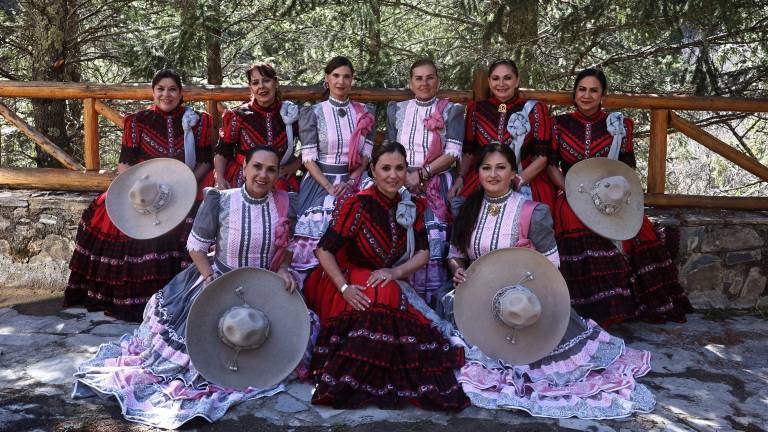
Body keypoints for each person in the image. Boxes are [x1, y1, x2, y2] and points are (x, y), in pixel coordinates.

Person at [72, 146, 316, 429]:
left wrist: (284, 268)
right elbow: (196, 247)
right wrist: (210, 278)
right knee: (199, 353)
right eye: (257, 167)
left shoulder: (287, 202)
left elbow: (288, 245)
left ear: (278, 174)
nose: (263, 175)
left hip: (264, 289)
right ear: (244, 168)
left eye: (271, 170)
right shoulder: (221, 200)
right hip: (220, 281)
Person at [445, 144, 655, 419]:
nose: (493, 174)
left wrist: (520, 291)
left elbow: (551, 265)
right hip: (476, 299)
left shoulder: (531, 212)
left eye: (501, 168)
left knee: (544, 365)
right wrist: (458, 270)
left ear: (513, 173)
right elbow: (455, 255)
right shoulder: (466, 209)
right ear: (479, 172)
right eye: (486, 168)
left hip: (522, 300)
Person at [303, 141, 469, 411]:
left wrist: (396, 271)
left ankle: (382, 370)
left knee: (388, 289)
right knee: (386, 292)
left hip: (382, 278)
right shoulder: (357, 204)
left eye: (399, 168)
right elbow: (323, 250)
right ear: (372, 170)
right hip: (341, 279)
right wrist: (344, 288)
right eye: (386, 168)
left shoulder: (413, 206)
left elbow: (424, 252)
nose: (393, 175)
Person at [64, 69, 213, 321]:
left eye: (172, 89)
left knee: (193, 216)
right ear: (153, 92)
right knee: (106, 214)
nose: (166, 94)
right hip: (146, 187)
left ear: (181, 93)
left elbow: (205, 161)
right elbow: (125, 164)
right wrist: (139, 190)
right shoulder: (137, 121)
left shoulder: (199, 121)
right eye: (161, 89)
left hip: (187, 185)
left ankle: (183, 295)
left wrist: (185, 186)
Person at [548, 68, 692, 327]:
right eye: (582, 90)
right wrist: (568, 190)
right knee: (570, 216)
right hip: (571, 191)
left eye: (594, 90)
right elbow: (551, 166)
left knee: (638, 227)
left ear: (603, 95)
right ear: (574, 93)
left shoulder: (620, 125)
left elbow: (627, 168)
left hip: (611, 193)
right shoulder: (559, 124)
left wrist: (610, 193)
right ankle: (593, 304)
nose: (587, 95)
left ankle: (625, 301)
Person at [385, 58, 464, 307]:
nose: (424, 83)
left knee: (432, 235)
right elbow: (390, 149)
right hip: (399, 179)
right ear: (410, 83)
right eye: (418, 78)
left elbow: (453, 152)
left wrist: (421, 174)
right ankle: (398, 299)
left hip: (435, 179)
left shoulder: (451, 110)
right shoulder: (397, 110)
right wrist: (403, 176)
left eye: (430, 77)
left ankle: (431, 301)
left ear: (438, 81)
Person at [292, 56, 377, 281]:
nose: (341, 81)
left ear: (352, 80)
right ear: (327, 79)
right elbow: (308, 159)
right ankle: (316, 282)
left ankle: (355, 278)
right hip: (321, 181)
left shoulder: (365, 112)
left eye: (346, 77)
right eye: (336, 76)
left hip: (355, 178)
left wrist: (351, 181)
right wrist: (330, 187)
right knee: (320, 222)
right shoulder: (313, 113)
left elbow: (366, 156)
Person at [450, 59, 555, 214]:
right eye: (495, 78)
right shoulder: (477, 109)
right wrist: (460, 177)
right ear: (489, 81)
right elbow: (469, 152)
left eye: (507, 78)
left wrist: (517, 180)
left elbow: (542, 157)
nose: (501, 84)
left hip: (525, 176)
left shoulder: (535, 109)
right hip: (485, 176)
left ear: (517, 80)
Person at [210, 62, 301, 192]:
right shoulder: (239, 115)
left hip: (280, 178)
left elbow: (311, 146)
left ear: (276, 83)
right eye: (255, 82)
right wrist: (219, 177)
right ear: (251, 87)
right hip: (243, 180)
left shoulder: (290, 113)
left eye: (266, 81)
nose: (261, 86)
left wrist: (294, 165)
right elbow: (223, 151)